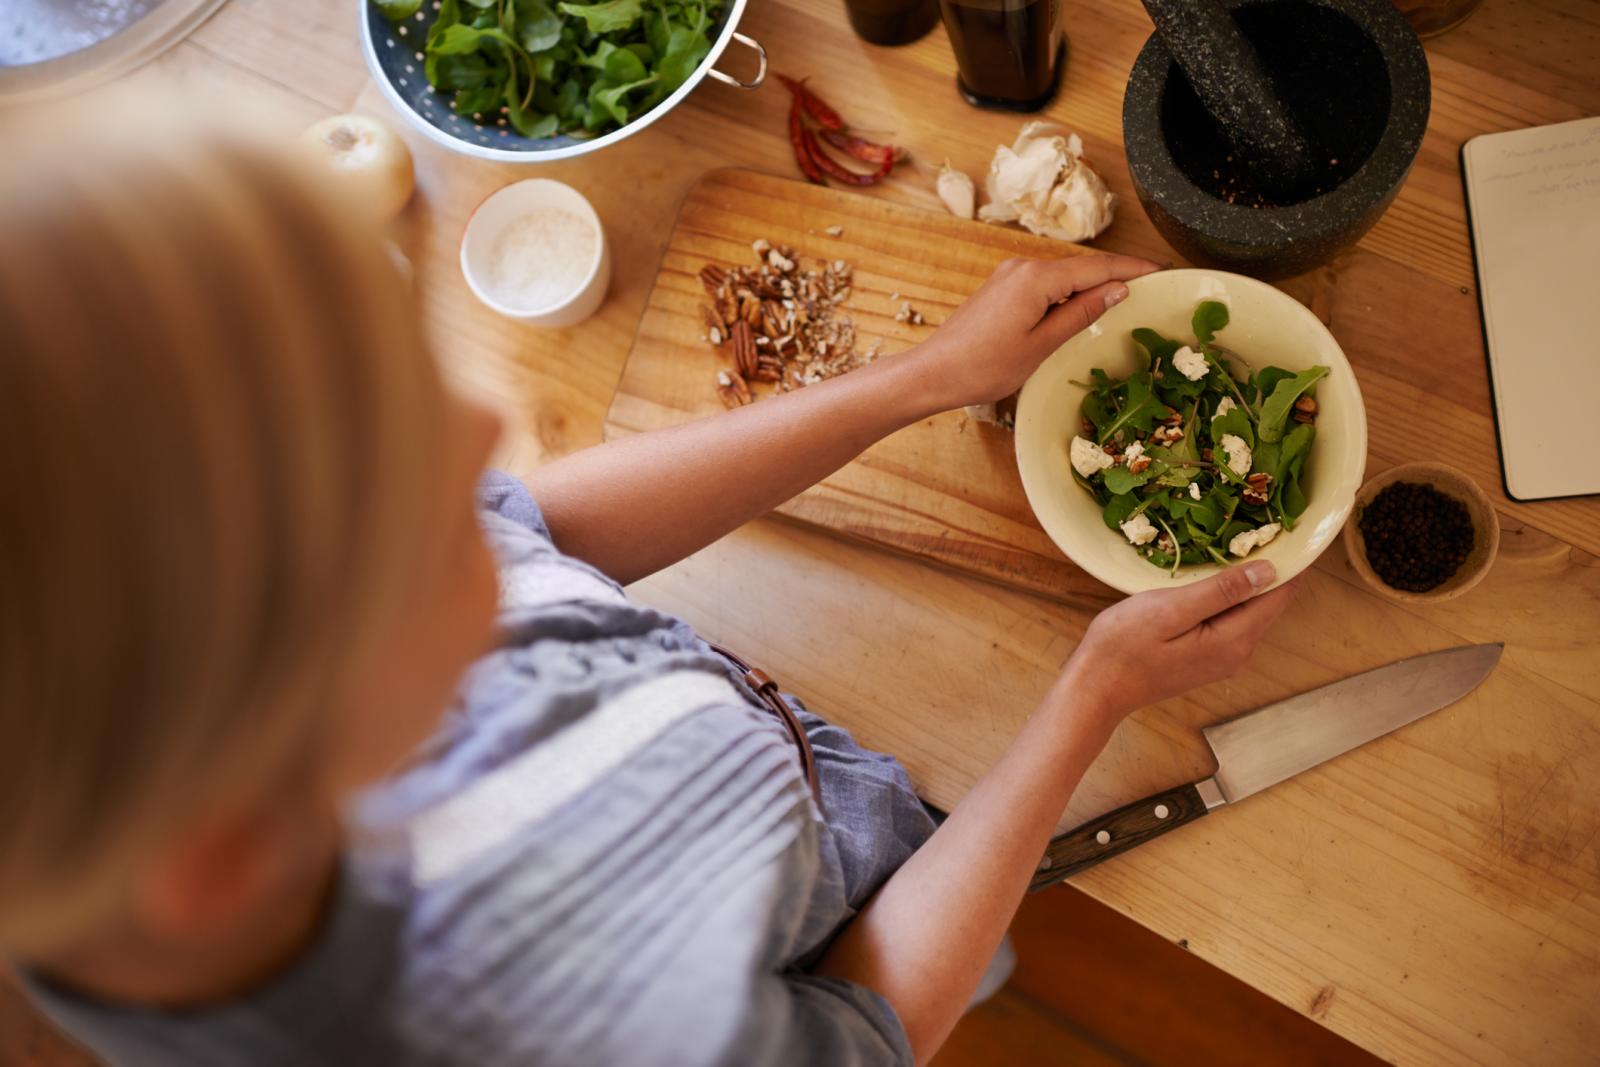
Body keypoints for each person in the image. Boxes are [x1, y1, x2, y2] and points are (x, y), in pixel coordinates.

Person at [0, 113, 1293, 1067]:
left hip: (774, 774)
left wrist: (916, 383)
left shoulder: (194, 709)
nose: (473, 436)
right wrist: (1092, 694)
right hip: (864, 901)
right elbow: (865, 1016)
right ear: (220, 838)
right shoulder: (575, 1032)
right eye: (396, 491)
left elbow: (533, 536)